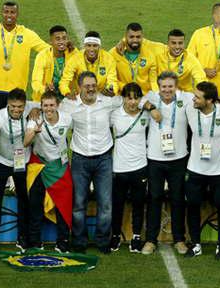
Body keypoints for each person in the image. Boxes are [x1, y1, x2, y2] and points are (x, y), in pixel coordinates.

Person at [59, 71, 126, 253]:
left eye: (93, 85)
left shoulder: (108, 101)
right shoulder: (68, 104)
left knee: (105, 204)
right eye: (87, 86)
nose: (91, 89)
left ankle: (102, 242)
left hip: (104, 159)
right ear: (78, 87)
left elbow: (128, 100)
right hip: (80, 159)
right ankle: (79, 242)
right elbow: (55, 118)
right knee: (78, 204)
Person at [142, 71, 193, 256]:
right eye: (163, 86)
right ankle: (150, 240)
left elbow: (204, 99)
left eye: (170, 86)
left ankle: (179, 239)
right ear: (159, 87)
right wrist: (149, 106)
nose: (167, 90)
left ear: (176, 86)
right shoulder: (151, 96)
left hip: (179, 158)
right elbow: (137, 98)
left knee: (177, 199)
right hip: (155, 158)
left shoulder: (186, 98)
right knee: (154, 198)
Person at [184, 81, 220, 260]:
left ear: (210, 100)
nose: (194, 99)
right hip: (195, 169)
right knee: (192, 207)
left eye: (198, 97)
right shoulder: (190, 107)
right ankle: (196, 244)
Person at [0, 88, 39, 253]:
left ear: (25, 105)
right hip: (0, 159)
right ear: (8, 104)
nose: (16, 110)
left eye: (20, 107)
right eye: (13, 106)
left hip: (22, 161)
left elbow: (45, 104)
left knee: (24, 199)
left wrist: (37, 109)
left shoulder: (31, 107)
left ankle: (23, 238)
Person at [24, 90, 73, 253]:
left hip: (59, 166)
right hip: (39, 165)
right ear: (41, 106)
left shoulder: (67, 118)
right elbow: (25, 142)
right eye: (45, 105)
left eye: (52, 105)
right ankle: (35, 241)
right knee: (35, 204)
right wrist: (34, 133)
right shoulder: (35, 118)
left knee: (63, 205)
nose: (49, 109)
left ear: (58, 105)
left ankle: (63, 242)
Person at [0, 1, 49, 111]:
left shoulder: (27, 34)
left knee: (16, 126)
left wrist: (65, 48)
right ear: (2, 13)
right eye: (6, 12)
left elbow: (47, 50)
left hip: (17, 91)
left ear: (17, 14)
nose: (9, 15)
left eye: (13, 12)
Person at [109, 82, 149, 253]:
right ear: (123, 98)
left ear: (140, 99)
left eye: (136, 98)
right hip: (119, 167)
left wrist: (151, 107)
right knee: (117, 204)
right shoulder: (114, 115)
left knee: (138, 204)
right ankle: (116, 235)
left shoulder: (146, 115)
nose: (132, 102)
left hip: (140, 166)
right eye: (128, 98)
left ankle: (136, 237)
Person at [187, 2, 220, 97]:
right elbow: (188, 61)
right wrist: (202, 71)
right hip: (202, 93)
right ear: (215, 16)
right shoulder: (199, 34)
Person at [60, 31, 118, 97]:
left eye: (95, 46)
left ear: (99, 46)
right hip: (81, 97)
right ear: (84, 46)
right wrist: (67, 93)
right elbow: (64, 81)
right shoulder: (75, 59)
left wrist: (112, 90)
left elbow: (112, 80)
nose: (91, 49)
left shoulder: (109, 59)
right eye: (89, 45)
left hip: (101, 97)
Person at [31, 25, 79, 101]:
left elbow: (82, 71)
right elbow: (35, 81)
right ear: (50, 41)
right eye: (57, 39)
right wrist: (44, 89)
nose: (61, 42)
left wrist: (75, 51)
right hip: (47, 99)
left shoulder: (72, 53)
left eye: (64, 38)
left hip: (68, 97)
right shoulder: (42, 56)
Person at [109, 23, 158, 94]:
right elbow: (111, 78)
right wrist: (124, 87)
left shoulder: (150, 56)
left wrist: (156, 96)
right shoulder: (113, 54)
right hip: (121, 96)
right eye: (131, 37)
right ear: (125, 37)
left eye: (138, 37)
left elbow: (153, 81)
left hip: (143, 97)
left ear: (142, 38)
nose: (135, 40)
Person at [153, 29, 205, 93]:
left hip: (183, 95)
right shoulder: (159, 56)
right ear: (168, 43)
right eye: (173, 43)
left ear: (184, 43)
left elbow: (201, 79)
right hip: (163, 93)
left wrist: (202, 94)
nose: (177, 47)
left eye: (180, 43)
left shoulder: (190, 59)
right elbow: (152, 78)